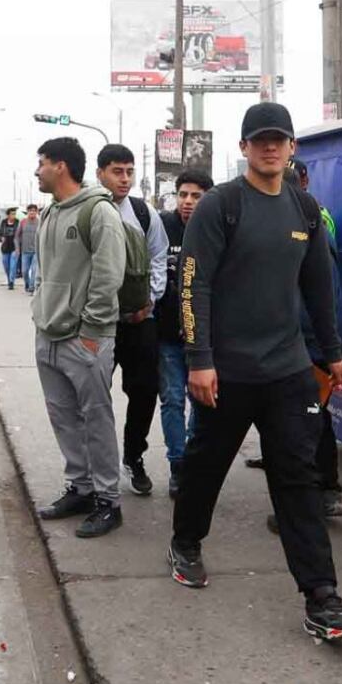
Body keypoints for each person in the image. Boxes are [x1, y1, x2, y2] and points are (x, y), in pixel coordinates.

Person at [173, 102, 342, 641]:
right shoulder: (220, 206)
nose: (270, 147)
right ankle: (186, 542)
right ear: (244, 149)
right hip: (226, 373)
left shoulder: (304, 210)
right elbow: (193, 285)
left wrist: (331, 352)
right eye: (260, 140)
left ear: (292, 147)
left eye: (279, 139)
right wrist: (199, 360)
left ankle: (322, 597)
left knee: (298, 478)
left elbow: (318, 289)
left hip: (287, 371)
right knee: (206, 466)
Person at [30, 137, 130, 538]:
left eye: (41, 163)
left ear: (60, 166)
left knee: (96, 419)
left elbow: (108, 277)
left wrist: (91, 332)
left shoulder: (98, 211)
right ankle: (82, 488)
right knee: (63, 418)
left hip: (84, 338)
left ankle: (108, 500)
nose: (37, 170)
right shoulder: (52, 211)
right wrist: (40, 317)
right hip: (48, 334)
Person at [253, 157, 342, 523]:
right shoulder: (316, 221)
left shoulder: (305, 227)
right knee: (315, 421)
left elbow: (317, 295)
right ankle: (327, 492)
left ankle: (312, 501)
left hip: (307, 346)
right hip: (315, 344)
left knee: (301, 428)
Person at [95, 145, 170, 497]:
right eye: (116, 171)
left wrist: (149, 301)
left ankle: (133, 457)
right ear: (100, 174)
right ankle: (97, 468)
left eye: (128, 171)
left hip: (140, 322)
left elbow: (158, 256)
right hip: (99, 325)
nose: (123, 179)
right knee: (94, 395)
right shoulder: (89, 211)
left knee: (144, 392)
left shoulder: (142, 212)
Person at [151, 167, 211, 498]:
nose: (188, 202)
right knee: (172, 400)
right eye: (183, 195)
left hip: (202, 339)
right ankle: (178, 465)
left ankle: (193, 461)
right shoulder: (162, 226)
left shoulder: (215, 228)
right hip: (167, 336)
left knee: (201, 402)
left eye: (196, 196)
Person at [17, 203, 41, 293]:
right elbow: (17, 236)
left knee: (34, 270)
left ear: (36, 212)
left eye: (34, 211)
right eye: (30, 211)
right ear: (27, 212)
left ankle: (32, 287)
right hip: (25, 251)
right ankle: (27, 284)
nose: (32, 212)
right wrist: (17, 248)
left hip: (36, 251)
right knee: (24, 271)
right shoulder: (23, 222)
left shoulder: (40, 222)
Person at [0, 207, 20, 288]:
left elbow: (20, 234)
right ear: (8, 215)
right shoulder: (3, 222)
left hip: (14, 247)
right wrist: (0, 238)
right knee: (6, 266)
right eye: (12, 214)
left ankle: (11, 282)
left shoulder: (17, 222)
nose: (14, 215)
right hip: (5, 248)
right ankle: (9, 279)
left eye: (14, 214)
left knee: (13, 266)